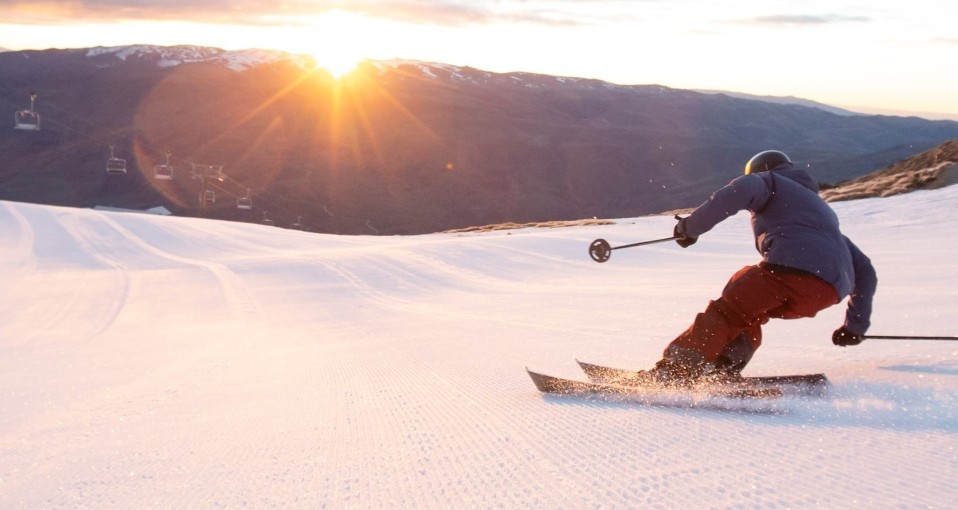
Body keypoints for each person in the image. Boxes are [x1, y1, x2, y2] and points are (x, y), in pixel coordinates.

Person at [647, 150, 878, 383]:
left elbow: (739, 191)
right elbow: (865, 271)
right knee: (749, 310)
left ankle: (675, 371)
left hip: (789, 272)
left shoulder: (770, 181)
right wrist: (854, 327)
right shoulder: (819, 210)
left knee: (727, 312)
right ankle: (721, 367)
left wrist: (688, 228)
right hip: (826, 292)